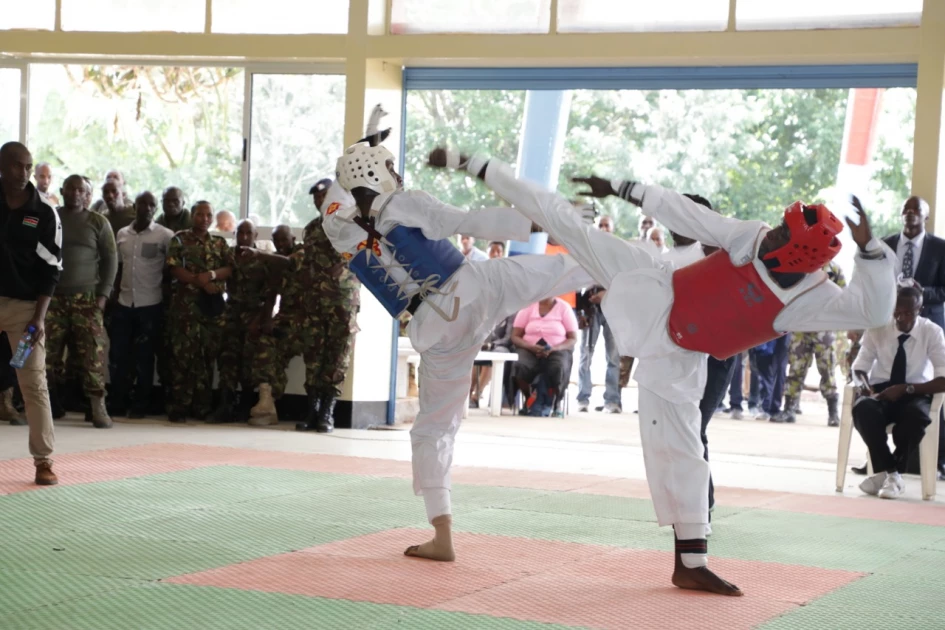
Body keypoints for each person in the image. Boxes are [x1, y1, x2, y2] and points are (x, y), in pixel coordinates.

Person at [430, 146, 895, 596]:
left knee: (685, 453)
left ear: (797, 254)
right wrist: (620, 187)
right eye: (777, 227)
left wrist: (870, 251)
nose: (769, 232)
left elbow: (872, 309)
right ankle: (476, 163)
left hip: (680, 356)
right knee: (564, 222)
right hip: (654, 285)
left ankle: (691, 564)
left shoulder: (811, 300)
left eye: (781, 234)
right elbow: (687, 214)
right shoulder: (750, 237)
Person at [321, 117, 591, 564]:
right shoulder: (404, 202)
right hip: (472, 288)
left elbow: (337, 193)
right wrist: (544, 224)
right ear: (378, 172)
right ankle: (642, 267)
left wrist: (362, 146)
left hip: (434, 325)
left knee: (433, 428)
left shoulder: (338, 228)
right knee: (558, 270)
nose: (398, 174)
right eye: (390, 166)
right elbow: (469, 221)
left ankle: (442, 531)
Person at [245, 213, 360, 432]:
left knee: (336, 361)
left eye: (284, 239)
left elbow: (290, 261)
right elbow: (271, 295)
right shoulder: (311, 231)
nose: (280, 244)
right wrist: (266, 319)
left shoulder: (300, 255)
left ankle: (327, 413)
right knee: (313, 361)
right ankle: (301, 408)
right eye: (276, 240)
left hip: (338, 310)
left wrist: (258, 254)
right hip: (308, 316)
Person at [0, 142, 61, 485]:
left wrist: (38, 318)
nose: (23, 173)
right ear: (1, 166)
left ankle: (43, 461)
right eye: (16, 166)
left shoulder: (43, 213)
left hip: (24, 313)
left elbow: (52, 268)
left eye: (28, 167)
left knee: (33, 385)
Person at [852, 283, 945, 499]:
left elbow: (943, 379)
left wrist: (906, 388)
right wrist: (864, 387)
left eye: (908, 313)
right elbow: (859, 368)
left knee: (917, 416)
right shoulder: (878, 329)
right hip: (882, 391)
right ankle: (892, 474)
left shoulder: (932, 332)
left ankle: (885, 474)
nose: (901, 318)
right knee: (863, 409)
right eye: (897, 312)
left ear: (919, 310)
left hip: (916, 391)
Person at [45, 174, 118, 429]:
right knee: (46, 355)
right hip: (52, 299)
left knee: (92, 356)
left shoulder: (99, 222)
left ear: (88, 194)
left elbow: (111, 260)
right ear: (63, 190)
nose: (75, 193)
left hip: (87, 300)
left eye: (81, 190)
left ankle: (97, 406)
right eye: (71, 188)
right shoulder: (50, 217)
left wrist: (103, 295)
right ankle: (49, 404)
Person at [882, 195, 945, 479]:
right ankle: (879, 458)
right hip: (890, 326)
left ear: (926, 216)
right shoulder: (885, 244)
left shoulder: (940, 248)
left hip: (927, 326)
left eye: (916, 210)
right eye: (906, 209)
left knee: (932, 392)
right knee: (885, 385)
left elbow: (943, 290)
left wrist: (919, 293)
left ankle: (939, 460)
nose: (910, 213)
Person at [165, 201, 233, 422]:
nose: (204, 219)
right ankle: (180, 406)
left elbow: (229, 269)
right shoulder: (179, 239)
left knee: (206, 359)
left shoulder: (220, 242)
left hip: (211, 310)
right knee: (182, 358)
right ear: (192, 215)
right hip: (185, 309)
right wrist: (199, 281)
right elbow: (174, 268)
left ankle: (202, 406)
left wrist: (211, 275)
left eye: (208, 215)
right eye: (200, 214)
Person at [109, 192, 173, 418]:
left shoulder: (164, 236)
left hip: (150, 304)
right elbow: (117, 268)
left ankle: (140, 404)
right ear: (134, 206)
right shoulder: (121, 234)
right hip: (124, 303)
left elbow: (170, 271)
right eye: (143, 203)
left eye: (151, 205)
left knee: (145, 358)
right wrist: (113, 297)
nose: (147, 208)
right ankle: (117, 401)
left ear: (155, 209)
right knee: (118, 356)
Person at [212, 220, 272, 423]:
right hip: (232, 313)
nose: (244, 237)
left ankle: (245, 405)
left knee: (249, 361)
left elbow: (269, 293)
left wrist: (262, 318)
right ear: (235, 235)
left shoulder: (263, 259)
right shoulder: (228, 256)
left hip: (253, 315)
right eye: (240, 233)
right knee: (227, 359)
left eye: (249, 233)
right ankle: (225, 404)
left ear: (256, 236)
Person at [777, 261, 847, 425]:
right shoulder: (802, 265)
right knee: (795, 368)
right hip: (801, 326)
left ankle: (833, 413)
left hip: (824, 328)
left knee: (827, 369)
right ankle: (789, 409)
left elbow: (844, 297)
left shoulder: (834, 270)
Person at [576, 216, 622, 414]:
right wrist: (580, 310)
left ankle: (612, 400)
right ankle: (582, 398)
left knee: (613, 357)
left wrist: (607, 294)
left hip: (614, 309)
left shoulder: (619, 252)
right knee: (586, 354)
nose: (603, 228)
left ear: (612, 229)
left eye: (607, 226)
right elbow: (575, 280)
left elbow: (626, 281)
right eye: (600, 225)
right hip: (590, 309)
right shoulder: (585, 250)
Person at [511, 296, 578, 416]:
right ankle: (529, 398)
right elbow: (515, 336)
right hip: (530, 348)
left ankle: (556, 402)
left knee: (558, 367)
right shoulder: (527, 306)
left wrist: (555, 348)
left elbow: (573, 338)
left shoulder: (564, 308)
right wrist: (530, 347)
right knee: (519, 365)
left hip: (557, 349)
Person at [469, 241, 513, 408]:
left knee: (495, 353)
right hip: (482, 336)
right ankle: (468, 393)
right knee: (473, 349)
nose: (495, 254)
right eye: (492, 251)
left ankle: (476, 395)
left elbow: (509, 335)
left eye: (499, 251)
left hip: (500, 342)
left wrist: (492, 344)